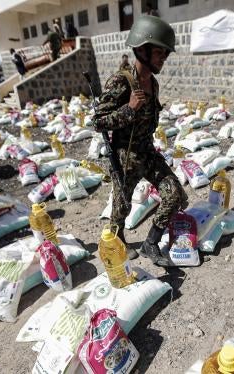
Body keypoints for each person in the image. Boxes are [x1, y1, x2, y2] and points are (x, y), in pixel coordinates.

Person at [93, 16, 188, 266]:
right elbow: (98, 122)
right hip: (125, 157)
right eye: (159, 53)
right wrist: (130, 109)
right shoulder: (120, 82)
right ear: (141, 49)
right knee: (121, 209)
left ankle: (151, 243)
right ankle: (117, 241)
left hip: (147, 152)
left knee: (174, 194)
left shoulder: (153, 83)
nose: (162, 60)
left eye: (165, 55)